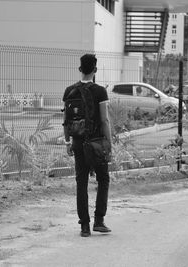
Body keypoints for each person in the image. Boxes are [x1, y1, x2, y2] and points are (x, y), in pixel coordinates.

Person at [62, 54, 112, 237]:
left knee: (81, 182)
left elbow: (66, 121)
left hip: (77, 142)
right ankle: (99, 220)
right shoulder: (100, 91)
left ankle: (84, 226)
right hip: (96, 143)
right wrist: (109, 143)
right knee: (103, 179)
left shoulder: (69, 91)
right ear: (95, 70)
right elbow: (104, 120)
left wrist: (67, 142)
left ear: (80, 69)